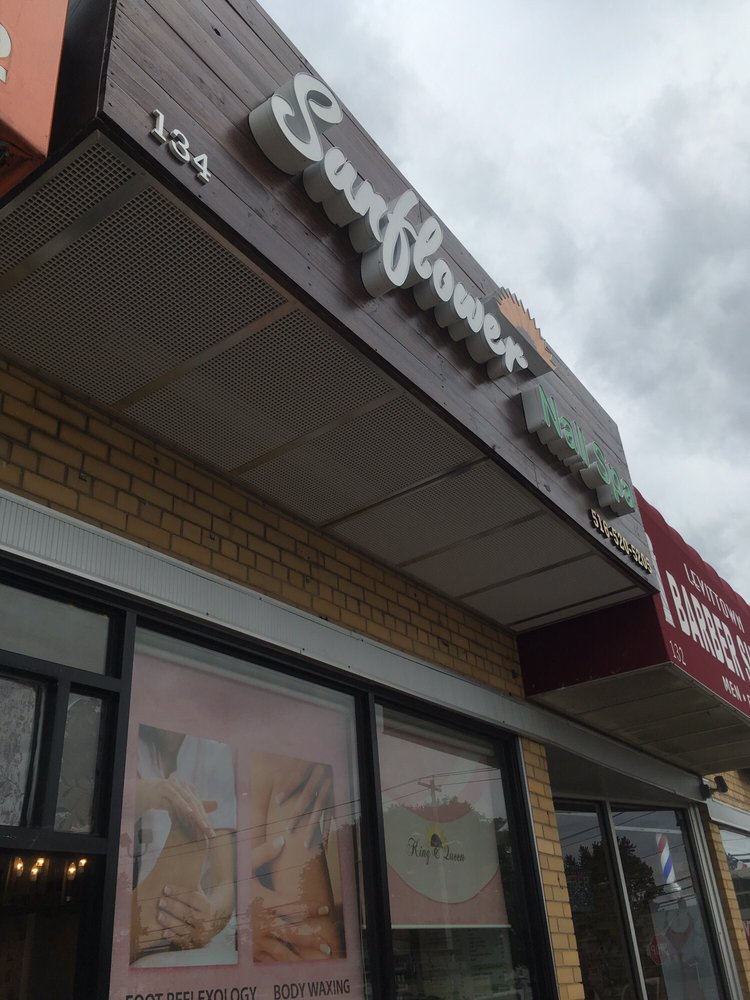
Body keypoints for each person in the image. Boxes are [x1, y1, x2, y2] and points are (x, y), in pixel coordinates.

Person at [130, 725, 236, 963]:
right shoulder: (129, 734)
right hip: (138, 908)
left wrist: (208, 920)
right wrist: (149, 793)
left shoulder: (214, 753)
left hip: (188, 913)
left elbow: (225, 882)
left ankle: (153, 909)